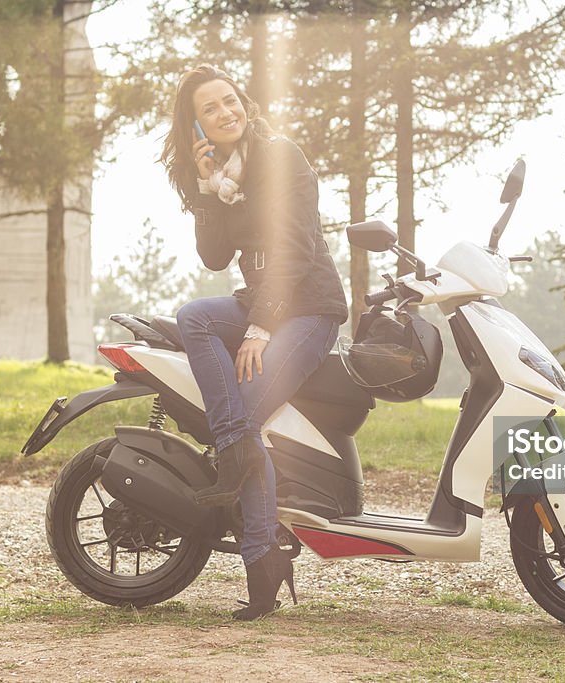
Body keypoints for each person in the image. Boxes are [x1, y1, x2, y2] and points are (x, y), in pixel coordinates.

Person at [160, 65, 348, 620]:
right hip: (262, 299)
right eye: (210, 109)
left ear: (244, 101)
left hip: (309, 307)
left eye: (230, 100)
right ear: (195, 125)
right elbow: (215, 257)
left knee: (243, 414)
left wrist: (262, 326)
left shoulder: (281, 155)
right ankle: (236, 446)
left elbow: (297, 250)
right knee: (193, 316)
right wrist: (204, 190)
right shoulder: (216, 177)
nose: (226, 112)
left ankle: (261, 556)